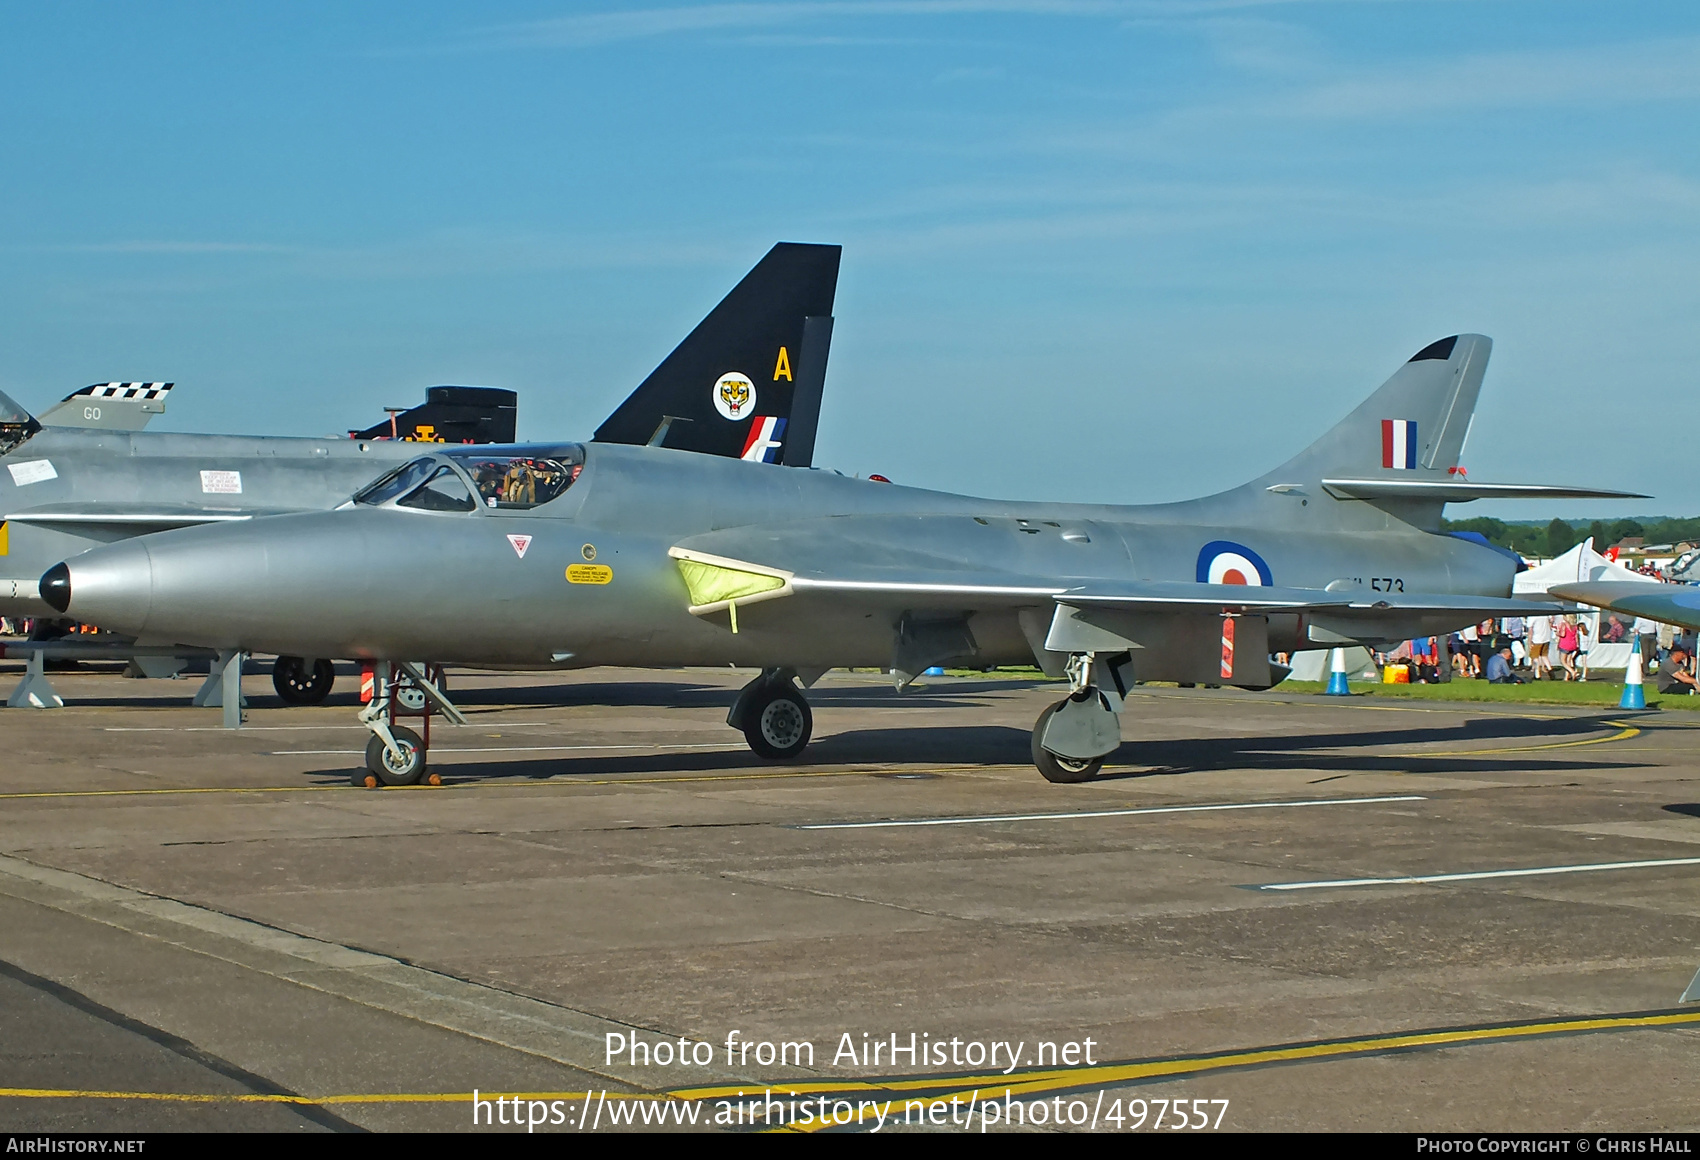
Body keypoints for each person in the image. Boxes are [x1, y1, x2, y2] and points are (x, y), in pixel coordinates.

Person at [1528, 613, 1553, 679]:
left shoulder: (1532, 617)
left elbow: (1530, 631)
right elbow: (1551, 620)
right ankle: (1550, 670)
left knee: (1535, 657)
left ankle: (1537, 674)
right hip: (1546, 637)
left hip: (1537, 639)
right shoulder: (1545, 615)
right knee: (1544, 656)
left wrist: (1529, 642)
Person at [1555, 615, 1580, 681]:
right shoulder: (1575, 626)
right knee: (1568, 661)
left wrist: (1557, 633)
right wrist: (1577, 645)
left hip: (1565, 644)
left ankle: (1572, 672)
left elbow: (1563, 634)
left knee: (1563, 661)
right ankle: (1566, 677)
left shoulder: (1564, 624)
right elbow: (1576, 636)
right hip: (1572, 644)